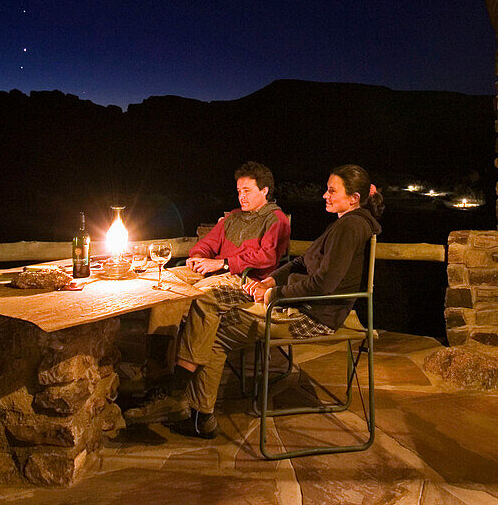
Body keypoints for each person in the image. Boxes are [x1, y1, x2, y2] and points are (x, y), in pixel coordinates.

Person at [125, 164, 383, 439]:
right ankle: (191, 406)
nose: (324, 195)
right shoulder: (345, 223)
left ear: (354, 198)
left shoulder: (350, 227)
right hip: (301, 302)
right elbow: (300, 262)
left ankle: (184, 397)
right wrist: (271, 281)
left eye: (332, 190)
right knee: (206, 316)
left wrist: (272, 293)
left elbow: (324, 285)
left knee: (213, 323)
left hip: (312, 316)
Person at [179, 161, 290, 286]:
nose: (241, 197)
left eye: (247, 191)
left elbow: (267, 256)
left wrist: (225, 263)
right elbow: (208, 243)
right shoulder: (234, 216)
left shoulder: (276, 219)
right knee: (167, 283)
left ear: (264, 191)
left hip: (246, 281)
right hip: (215, 273)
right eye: (239, 191)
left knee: (197, 294)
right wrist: (198, 257)